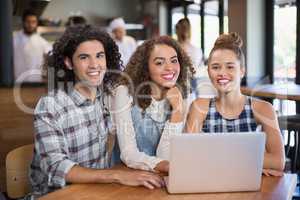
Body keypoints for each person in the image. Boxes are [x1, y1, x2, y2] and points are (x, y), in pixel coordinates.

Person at [29, 25, 164, 198]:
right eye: (84, 57)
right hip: (56, 195)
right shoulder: (51, 105)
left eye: (99, 56)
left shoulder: (107, 96)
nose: (95, 65)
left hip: (98, 191)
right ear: (68, 62)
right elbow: (56, 167)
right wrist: (117, 176)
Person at [185, 32, 285, 176]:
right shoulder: (200, 106)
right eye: (215, 67)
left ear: (242, 71)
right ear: (208, 72)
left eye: (230, 67)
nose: (222, 73)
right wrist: (253, 162)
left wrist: (213, 156)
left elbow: (278, 162)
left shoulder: (263, 109)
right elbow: (188, 156)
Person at [111, 36, 194, 173]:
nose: (170, 68)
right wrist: (169, 166)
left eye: (174, 61)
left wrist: (178, 111)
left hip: (163, 177)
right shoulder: (125, 92)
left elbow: (165, 156)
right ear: (145, 67)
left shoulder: (181, 95)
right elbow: (129, 153)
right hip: (128, 177)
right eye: (159, 63)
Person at [175, 18, 216, 98]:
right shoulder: (197, 50)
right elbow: (202, 66)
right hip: (196, 86)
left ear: (177, 31)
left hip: (180, 86)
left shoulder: (174, 49)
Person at [13, 9, 52, 83]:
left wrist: (46, 76)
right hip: (17, 81)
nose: (31, 25)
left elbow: (49, 59)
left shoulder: (42, 41)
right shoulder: (14, 39)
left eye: (33, 22)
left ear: (37, 23)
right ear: (23, 22)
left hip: (36, 82)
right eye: (28, 22)